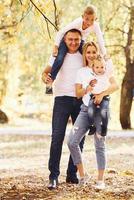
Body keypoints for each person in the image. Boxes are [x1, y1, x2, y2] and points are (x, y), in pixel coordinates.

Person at [67, 41, 118, 189]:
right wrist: (87, 89)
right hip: (85, 109)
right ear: (85, 54)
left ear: (97, 52)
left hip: (101, 110)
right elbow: (77, 93)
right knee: (71, 141)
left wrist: (101, 94)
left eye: (93, 52)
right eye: (88, 52)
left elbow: (115, 86)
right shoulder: (81, 72)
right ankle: (83, 175)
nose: (91, 55)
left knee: (99, 144)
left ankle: (100, 180)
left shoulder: (105, 68)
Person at [42, 29, 85, 190]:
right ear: (65, 40)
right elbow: (45, 73)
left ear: (80, 40)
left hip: (81, 100)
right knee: (57, 138)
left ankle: (71, 174)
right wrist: (45, 78)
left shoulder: (84, 55)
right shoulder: (57, 55)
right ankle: (53, 176)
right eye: (70, 39)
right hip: (61, 100)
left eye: (76, 40)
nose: (73, 42)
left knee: (78, 139)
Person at [50, 4, 107, 81]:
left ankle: (93, 76)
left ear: (95, 19)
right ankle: (51, 79)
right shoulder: (77, 22)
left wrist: (104, 54)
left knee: (89, 55)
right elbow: (61, 32)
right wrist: (56, 46)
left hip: (80, 41)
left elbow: (100, 39)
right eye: (87, 19)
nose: (89, 22)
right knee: (60, 58)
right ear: (82, 17)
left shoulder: (96, 26)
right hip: (67, 40)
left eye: (92, 20)